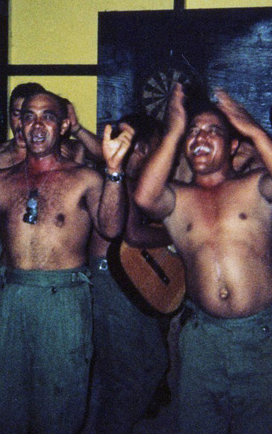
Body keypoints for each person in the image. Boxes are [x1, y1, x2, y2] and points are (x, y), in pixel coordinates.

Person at [0, 89, 133, 434]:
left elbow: (111, 227)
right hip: (12, 296)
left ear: (62, 126)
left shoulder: (84, 178)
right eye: (28, 116)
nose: (37, 124)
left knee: (59, 407)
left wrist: (115, 171)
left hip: (64, 299)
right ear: (20, 125)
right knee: (2, 404)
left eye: (47, 116)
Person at [134, 84, 272, 434]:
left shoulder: (254, 185)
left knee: (263, 426)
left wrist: (253, 128)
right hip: (202, 338)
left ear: (233, 145)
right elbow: (144, 198)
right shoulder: (177, 198)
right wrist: (175, 130)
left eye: (213, 131)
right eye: (194, 133)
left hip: (264, 335)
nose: (201, 138)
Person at [87, 114, 171, 434]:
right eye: (158, 149)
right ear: (144, 148)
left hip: (117, 279)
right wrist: (180, 237)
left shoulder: (124, 178)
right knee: (142, 368)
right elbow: (133, 234)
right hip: (111, 281)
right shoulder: (118, 178)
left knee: (113, 373)